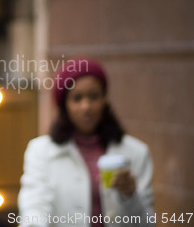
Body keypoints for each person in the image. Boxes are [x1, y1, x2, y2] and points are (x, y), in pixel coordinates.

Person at [18, 59, 155, 227]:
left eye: (93, 96)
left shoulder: (136, 152)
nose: (86, 107)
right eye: (77, 98)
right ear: (64, 105)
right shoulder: (40, 152)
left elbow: (146, 224)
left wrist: (130, 195)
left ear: (105, 98)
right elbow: (34, 208)